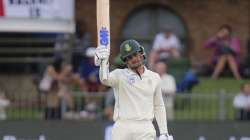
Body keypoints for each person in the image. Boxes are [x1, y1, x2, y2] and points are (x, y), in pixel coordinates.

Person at [95, 40, 173, 140]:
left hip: (145, 127)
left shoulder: (154, 77)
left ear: (141, 54)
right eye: (129, 57)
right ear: (125, 61)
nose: (133, 59)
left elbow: (159, 106)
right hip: (122, 126)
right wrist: (103, 63)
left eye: (135, 54)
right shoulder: (119, 75)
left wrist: (164, 132)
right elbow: (104, 79)